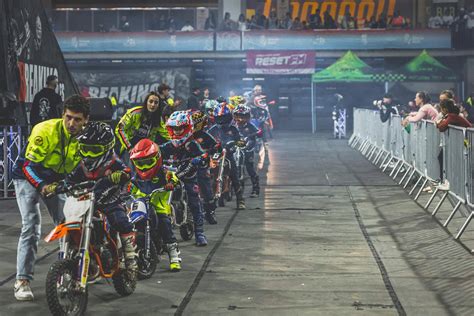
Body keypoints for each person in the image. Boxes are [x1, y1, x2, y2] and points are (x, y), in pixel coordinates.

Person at [12, 95, 89, 301]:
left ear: (86, 120)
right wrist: (42, 186)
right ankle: (22, 281)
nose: (71, 123)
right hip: (28, 176)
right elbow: (28, 166)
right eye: (68, 117)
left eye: (77, 119)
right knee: (31, 224)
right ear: (63, 115)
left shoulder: (87, 138)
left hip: (56, 178)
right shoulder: (44, 130)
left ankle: (66, 271)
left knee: (67, 223)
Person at [67, 122, 136, 269]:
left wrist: (121, 175)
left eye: (94, 150)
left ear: (106, 148)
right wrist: (61, 184)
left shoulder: (113, 161)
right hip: (85, 201)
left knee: (120, 221)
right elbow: (71, 177)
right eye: (85, 149)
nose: (89, 154)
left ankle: (130, 255)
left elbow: (128, 172)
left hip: (109, 200)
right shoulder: (82, 165)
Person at [129, 139, 182, 271]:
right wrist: (127, 189)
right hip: (141, 205)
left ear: (157, 158)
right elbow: (131, 188)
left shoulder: (164, 172)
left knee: (165, 224)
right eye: (140, 163)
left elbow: (173, 177)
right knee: (133, 223)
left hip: (159, 205)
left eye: (148, 162)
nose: (144, 166)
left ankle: (174, 255)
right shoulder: (136, 177)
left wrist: (171, 183)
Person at [162, 111, 209, 246]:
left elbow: (203, 157)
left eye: (179, 128)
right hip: (170, 176)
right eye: (174, 128)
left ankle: (200, 233)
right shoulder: (169, 145)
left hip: (188, 177)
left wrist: (200, 159)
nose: (176, 131)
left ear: (187, 128)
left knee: (194, 200)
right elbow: (157, 151)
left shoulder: (193, 144)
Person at [208, 103, 246, 210]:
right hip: (215, 156)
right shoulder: (212, 130)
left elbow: (240, 139)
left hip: (228, 154)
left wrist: (239, 143)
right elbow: (205, 141)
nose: (221, 120)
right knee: (206, 174)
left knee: (235, 176)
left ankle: (240, 200)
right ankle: (207, 199)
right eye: (219, 117)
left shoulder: (233, 128)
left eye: (223, 117)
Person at [115, 91, 169, 159]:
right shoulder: (134, 113)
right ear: (146, 102)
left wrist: (179, 140)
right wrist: (129, 147)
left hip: (145, 151)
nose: (153, 105)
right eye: (151, 101)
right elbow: (119, 129)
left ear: (158, 105)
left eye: (156, 102)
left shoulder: (158, 118)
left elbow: (166, 133)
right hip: (128, 148)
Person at [191, 110, 219, 224]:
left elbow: (216, 147)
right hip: (187, 166)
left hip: (202, 166)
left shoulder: (205, 136)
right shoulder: (186, 134)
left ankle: (209, 212)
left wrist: (211, 154)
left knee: (207, 190)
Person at [233, 105, 261, 197]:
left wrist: (256, 134)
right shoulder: (233, 126)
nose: (240, 119)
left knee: (249, 168)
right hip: (235, 148)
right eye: (238, 116)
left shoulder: (250, 126)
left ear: (248, 117)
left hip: (248, 148)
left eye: (243, 116)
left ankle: (255, 189)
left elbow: (258, 132)